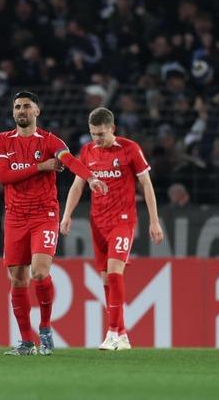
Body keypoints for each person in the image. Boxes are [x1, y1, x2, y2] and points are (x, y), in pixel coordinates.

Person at [0, 91, 108, 356]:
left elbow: (69, 160)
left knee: (40, 272)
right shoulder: (1, 140)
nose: (21, 111)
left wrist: (90, 178)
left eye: (26, 107)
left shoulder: (49, 141)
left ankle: (45, 326)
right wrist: (41, 167)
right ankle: (26, 342)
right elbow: (4, 176)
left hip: (43, 214)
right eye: (17, 107)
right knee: (17, 280)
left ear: (37, 111)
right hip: (14, 216)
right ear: (13, 112)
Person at [60, 107, 163, 351]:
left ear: (112, 129)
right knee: (106, 278)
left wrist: (154, 220)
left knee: (116, 272)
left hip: (123, 220)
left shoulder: (130, 149)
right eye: (94, 134)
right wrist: (67, 215)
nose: (98, 139)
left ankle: (112, 332)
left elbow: (146, 185)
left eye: (102, 134)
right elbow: (77, 186)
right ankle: (122, 334)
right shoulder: (87, 151)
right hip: (98, 222)